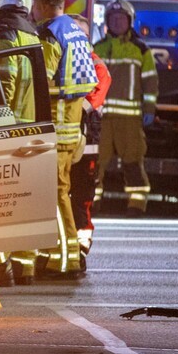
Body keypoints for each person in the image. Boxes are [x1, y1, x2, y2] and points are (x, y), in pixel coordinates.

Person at [32, 0, 97, 277]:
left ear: (43, 5)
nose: (33, 11)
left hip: (56, 128)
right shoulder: (74, 30)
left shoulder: (50, 34)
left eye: (35, 5)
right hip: (72, 128)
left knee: (56, 194)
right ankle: (56, 254)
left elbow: (41, 83)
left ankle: (67, 258)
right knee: (61, 191)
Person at [0, 0, 41, 286]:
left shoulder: (6, 39)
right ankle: (25, 268)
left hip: (9, 132)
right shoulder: (34, 37)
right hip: (34, 131)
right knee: (26, 206)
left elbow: (2, 88)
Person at [92, 0, 157, 219]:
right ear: (107, 21)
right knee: (96, 162)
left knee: (133, 162)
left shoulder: (141, 50)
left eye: (122, 18)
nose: (118, 22)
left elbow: (150, 81)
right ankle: (92, 203)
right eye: (113, 18)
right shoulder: (98, 48)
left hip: (130, 119)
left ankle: (136, 205)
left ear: (130, 21)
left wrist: (149, 108)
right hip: (101, 118)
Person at [70, 13, 110, 266]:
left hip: (87, 144)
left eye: (83, 35)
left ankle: (81, 248)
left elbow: (90, 101)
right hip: (63, 144)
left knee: (82, 198)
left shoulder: (97, 66)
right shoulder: (64, 61)